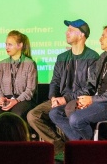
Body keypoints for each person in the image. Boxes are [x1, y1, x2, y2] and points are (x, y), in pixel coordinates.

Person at [49, 25, 107, 140]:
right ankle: (84, 145)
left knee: (75, 119)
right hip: (97, 101)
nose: (100, 39)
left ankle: (89, 148)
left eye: (103, 36)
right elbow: (91, 85)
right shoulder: (103, 58)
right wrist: (73, 99)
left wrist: (93, 99)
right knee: (55, 113)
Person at [27, 19, 98, 154]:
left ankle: (78, 146)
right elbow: (55, 81)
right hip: (60, 99)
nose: (67, 32)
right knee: (33, 115)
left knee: (63, 111)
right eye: (67, 30)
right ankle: (60, 148)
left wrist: (65, 99)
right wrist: (53, 97)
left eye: (71, 30)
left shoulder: (93, 57)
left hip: (79, 100)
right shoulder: (62, 57)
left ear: (82, 34)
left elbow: (90, 86)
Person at [0, 30, 37, 121]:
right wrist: (0, 98)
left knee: (16, 114)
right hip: (6, 98)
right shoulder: (2, 64)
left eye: (10, 44)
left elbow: (30, 90)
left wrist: (16, 101)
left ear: (20, 45)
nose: (7, 47)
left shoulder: (29, 63)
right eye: (6, 44)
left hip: (22, 99)